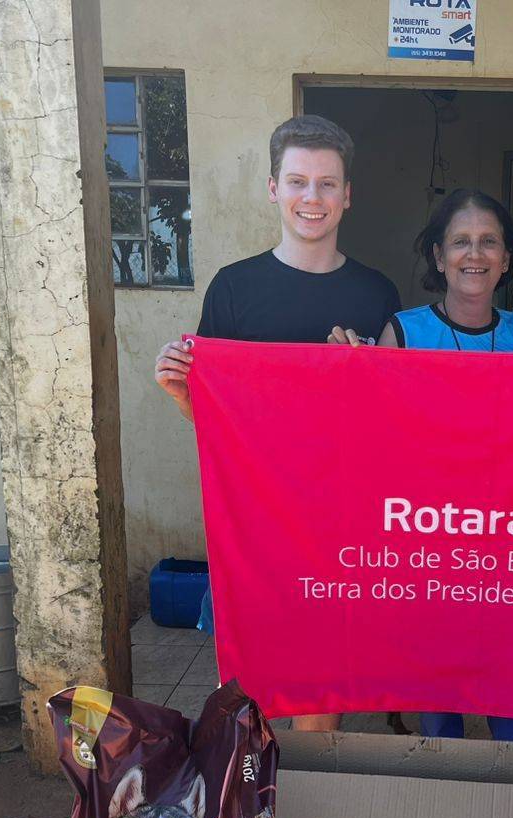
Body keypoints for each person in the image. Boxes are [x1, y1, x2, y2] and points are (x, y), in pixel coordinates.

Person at [346, 188, 513, 818]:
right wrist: (347, 374)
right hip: (428, 548)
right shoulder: (401, 331)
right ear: (439, 257)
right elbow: (370, 435)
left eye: (489, 242)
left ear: (506, 259)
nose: (474, 253)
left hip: (508, 550)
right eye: (460, 242)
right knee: (437, 703)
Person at [154, 115, 400, 732]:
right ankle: (258, 810)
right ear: (272, 188)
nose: (310, 199)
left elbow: (393, 426)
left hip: (340, 517)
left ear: (348, 194)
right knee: (253, 684)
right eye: (297, 181)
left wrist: (361, 376)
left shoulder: (377, 293)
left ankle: (308, 805)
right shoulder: (233, 289)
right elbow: (218, 430)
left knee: (322, 683)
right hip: (255, 520)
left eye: (326, 184)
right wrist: (180, 390)